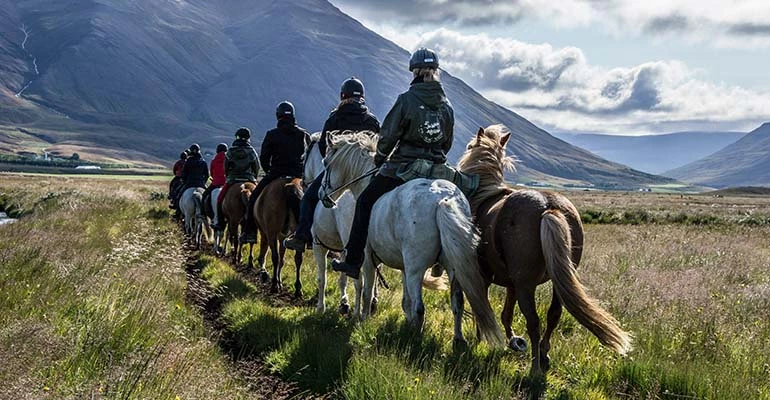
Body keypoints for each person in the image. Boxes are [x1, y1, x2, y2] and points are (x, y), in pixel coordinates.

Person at [332, 48, 454, 279]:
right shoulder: (447, 107)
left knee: (365, 201)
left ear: (414, 71)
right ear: (436, 72)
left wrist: (380, 158)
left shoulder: (406, 100)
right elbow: (446, 142)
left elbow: (388, 136)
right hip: (435, 169)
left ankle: (353, 262)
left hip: (403, 168)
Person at [283, 77, 380, 251]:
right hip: (367, 173)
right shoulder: (371, 120)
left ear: (343, 96)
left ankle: (302, 236)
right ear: (362, 97)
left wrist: (335, 163)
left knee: (308, 198)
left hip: (339, 172)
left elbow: (323, 146)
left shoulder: (335, 117)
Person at [240, 101, 310, 244]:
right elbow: (308, 157)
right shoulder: (303, 134)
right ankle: (309, 236)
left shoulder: (272, 134)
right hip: (297, 175)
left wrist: (269, 172)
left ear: (278, 116)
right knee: (311, 202)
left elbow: (264, 158)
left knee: (253, 199)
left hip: (276, 173)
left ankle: (249, 232)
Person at [212, 128, 260, 230]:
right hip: (249, 179)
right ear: (248, 138)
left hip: (232, 180)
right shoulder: (252, 151)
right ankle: (258, 226)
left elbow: (225, 167)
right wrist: (254, 178)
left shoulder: (230, 151)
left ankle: (220, 223)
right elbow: (256, 167)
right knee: (260, 200)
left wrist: (228, 176)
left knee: (220, 199)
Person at [202, 143, 227, 221]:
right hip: (227, 183)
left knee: (204, 195)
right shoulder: (229, 159)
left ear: (217, 151)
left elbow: (212, 174)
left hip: (216, 183)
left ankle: (203, 213)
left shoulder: (214, 160)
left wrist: (214, 178)